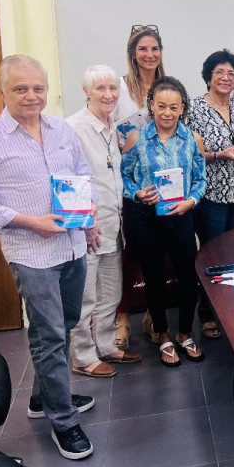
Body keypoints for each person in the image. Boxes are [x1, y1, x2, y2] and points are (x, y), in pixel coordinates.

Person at [0, 55, 95, 460]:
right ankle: (64, 421)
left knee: (67, 323)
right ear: (2, 91)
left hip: (71, 244)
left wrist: (88, 223)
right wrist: (29, 221)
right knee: (49, 334)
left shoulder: (61, 130)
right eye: (20, 88)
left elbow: (80, 175)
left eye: (38, 87)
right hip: (31, 252)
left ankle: (41, 397)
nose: (31, 96)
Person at [121, 77, 207, 367]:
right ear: (151, 107)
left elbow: (200, 179)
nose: (167, 113)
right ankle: (162, 334)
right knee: (154, 277)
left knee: (188, 275)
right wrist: (136, 192)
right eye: (161, 106)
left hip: (181, 215)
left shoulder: (193, 139)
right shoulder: (137, 138)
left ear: (182, 108)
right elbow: (125, 176)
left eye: (173, 107)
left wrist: (191, 200)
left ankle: (184, 333)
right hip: (146, 218)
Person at [66, 66, 142, 378]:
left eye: (113, 88)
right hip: (89, 227)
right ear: (86, 92)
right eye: (100, 89)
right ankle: (83, 356)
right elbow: (69, 181)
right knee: (86, 296)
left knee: (111, 292)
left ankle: (107, 344)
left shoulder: (113, 126)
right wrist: (85, 222)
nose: (108, 94)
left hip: (115, 223)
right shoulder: (72, 128)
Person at [185, 49, 234, 339]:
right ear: (208, 77)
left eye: (231, 74)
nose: (226, 78)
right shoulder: (195, 110)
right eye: (219, 73)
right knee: (212, 255)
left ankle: (232, 308)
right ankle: (208, 314)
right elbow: (189, 153)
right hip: (212, 195)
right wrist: (217, 154)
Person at [112, 25, 167, 351]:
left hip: (162, 181)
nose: (149, 55)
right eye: (143, 49)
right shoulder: (120, 87)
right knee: (130, 253)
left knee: (159, 251)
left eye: (154, 49)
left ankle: (151, 314)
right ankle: (122, 317)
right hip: (131, 179)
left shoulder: (166, 86)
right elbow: (112, 129)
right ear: (133, 53)